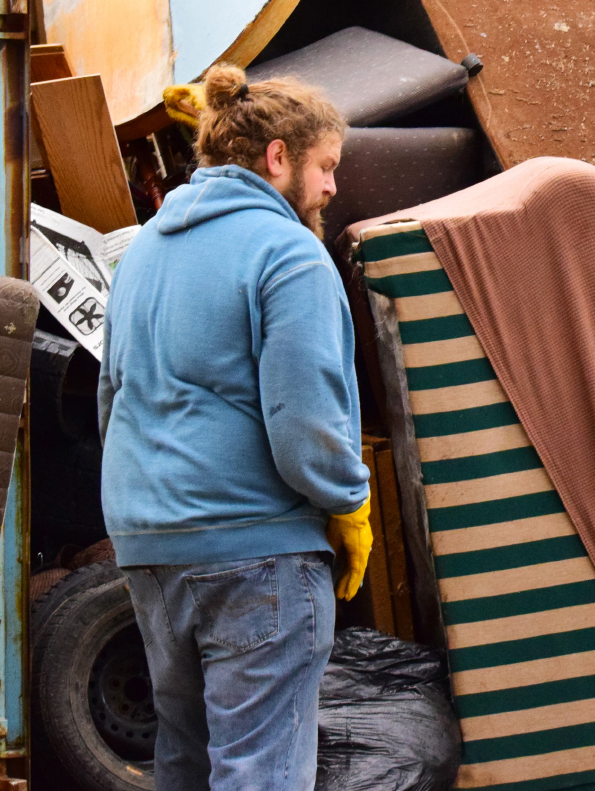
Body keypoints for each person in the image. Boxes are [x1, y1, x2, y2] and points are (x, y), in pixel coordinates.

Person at [99, 63, 372, 791]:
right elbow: (305, 421)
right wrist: (350, 501)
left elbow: (111, 398)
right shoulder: (288, 255)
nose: (331, 189)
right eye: (325, 167)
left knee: (184, 763)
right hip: (256, 550)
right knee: (261, 773)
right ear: (277, 157)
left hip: (150, 544)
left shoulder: (141, 251)